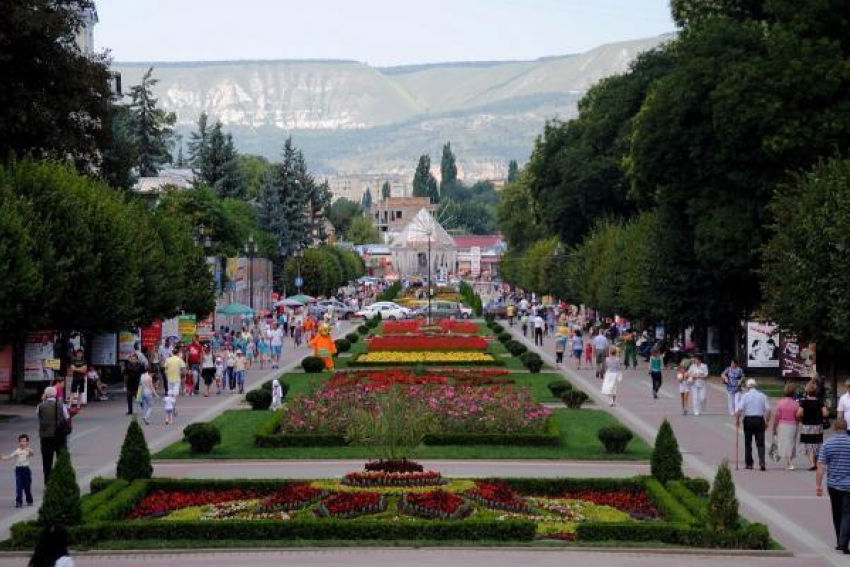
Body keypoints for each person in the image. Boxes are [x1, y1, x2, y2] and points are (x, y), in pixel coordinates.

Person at [817, 418, 850, 554]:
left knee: (836, 513)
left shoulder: (827, 443)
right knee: (847, 513)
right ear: (846, 428)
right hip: (849, 486)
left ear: (835, 428)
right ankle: (843, 542)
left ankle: (839, 541)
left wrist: (818, 485)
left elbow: (821, 467)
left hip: (833, 485)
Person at [737, 379, 772, 471]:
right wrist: (767, 421)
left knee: (748, 443)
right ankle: (762, 462)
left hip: (748, 420)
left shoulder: (745, 396)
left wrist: (737, 420)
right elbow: (768, 410)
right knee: (760, 443)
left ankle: (749, 464)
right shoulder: (762, 396)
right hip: (759, 420)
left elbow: (739, 409)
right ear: (755, 386)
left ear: (748, 387)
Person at [36, 387, 69, 482]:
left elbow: (38, 415)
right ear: (55, 394)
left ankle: (47, 480)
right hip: (59, 436)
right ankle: (61, 480)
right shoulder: (61, 405)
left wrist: (43, 401)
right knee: (61, 459)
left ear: (46, 394)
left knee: (47, 460)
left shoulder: (40, 406)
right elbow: (66, 417)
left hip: (46, 437)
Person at [798, 381, 829, 471]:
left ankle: (812, 464)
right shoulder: (820, 402)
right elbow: (826, 413)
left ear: (807, 391)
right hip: (818, 426)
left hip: (807, 426)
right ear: (816, 392)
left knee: (807, 444)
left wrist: (800, 417)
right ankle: (814, 463)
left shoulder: (804, 402)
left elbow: (799, 413)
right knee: (816, 444)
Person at [2, 433, 34, 508]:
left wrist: (29, 449)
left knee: (27, 487)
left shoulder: (28, 450)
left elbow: (32, 454)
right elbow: (9, 457)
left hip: (26, 470)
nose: (22, 443)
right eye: (21, 441)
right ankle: (19, 502)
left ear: (27, 442)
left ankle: (29, 500)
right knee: (19, 487)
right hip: (19, 470)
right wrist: (2, 458)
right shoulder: (17, 451)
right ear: (19, 442)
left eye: (24, 441)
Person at [773, 383, 800, 470]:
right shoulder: (796, 404)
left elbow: (777, 416)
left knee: (784, 444)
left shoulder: (780, 403)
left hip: (783, 425)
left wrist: (774, 427)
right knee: (791, 443)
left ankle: (790, 463)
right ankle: (789, 462)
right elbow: (798, 416)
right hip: (793, 425)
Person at [122, 352, 145, 416]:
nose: (133, 359)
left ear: (137, 359)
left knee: (139, 398)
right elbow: (125, 376)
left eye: (134, 358)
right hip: (130, 384)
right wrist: (124, 385)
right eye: (131, 358)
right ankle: (130, 411)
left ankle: (144, 409)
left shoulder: (140, 366)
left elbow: (144, 374)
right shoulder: (127, 366)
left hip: (138, 384)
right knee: (129, 398)